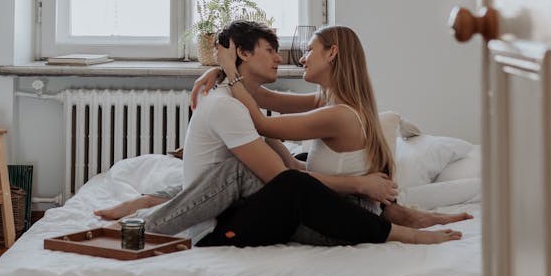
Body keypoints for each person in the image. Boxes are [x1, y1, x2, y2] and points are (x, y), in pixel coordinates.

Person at [96, 20, 464, 247]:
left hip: (341, 216)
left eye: (308, 51)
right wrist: (220, 73)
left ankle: (145, 225)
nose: (296, 58)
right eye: (272, 50)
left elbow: (263, 121)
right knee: (283, 161)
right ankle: (149, 203)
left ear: (332, 54)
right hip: (339, 205)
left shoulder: (336, 111)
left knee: (267, 170)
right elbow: (266, 99)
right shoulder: (330, 99)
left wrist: (230, 70)